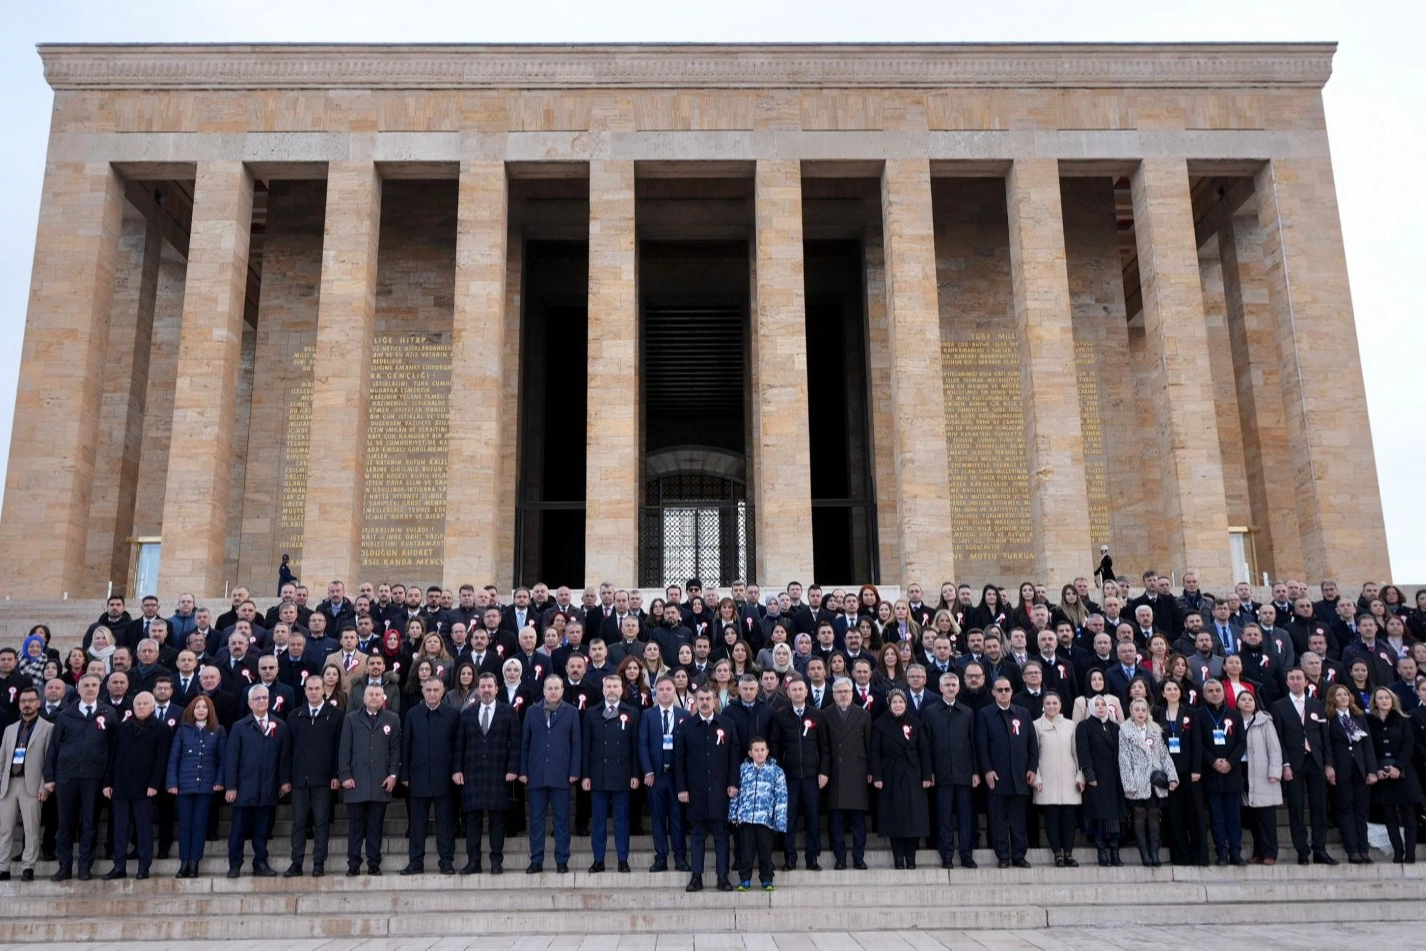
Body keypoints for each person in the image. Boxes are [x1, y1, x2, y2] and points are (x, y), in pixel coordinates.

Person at [44, 673, 117, 881]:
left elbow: (113, 751)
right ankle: (64, 867)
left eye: (94, 685)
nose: (90, 688)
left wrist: (108, 780)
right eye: (86, 685)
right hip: (66, 778)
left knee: (89, 825)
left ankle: (85, 866)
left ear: (100, 687)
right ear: (78, 688)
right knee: (65, 825)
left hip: (93, 779)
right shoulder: (66, 715)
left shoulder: (109, 713)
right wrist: (49, 776)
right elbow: (53, 749)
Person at [675, 685, 740, 892]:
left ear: (715, 701)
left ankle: (723, 877)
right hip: (696, 790)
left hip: (721, 789)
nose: (704, 702)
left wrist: (733, 783)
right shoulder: (686, 726)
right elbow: (679, 760)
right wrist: (682, 788)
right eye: (700, 699)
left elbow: (734, 756)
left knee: (721, 834)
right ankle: (696, 877)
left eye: (708, 699)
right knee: (697, 834)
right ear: (695, 701)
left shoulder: (727, 724)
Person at [223, 684, 292, 878]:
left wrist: (283, 781)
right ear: (249, 703)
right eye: (257, 699)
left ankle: (260, 862)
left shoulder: (280, 726)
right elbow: (231, 758)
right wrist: (231, 786)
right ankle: (235, 864)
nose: (261, 701)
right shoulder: (239, 727)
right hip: (244, 789)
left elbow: (284, 757)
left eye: (264, 698)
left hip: (268, 788)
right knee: (238, 831)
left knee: (262, 830)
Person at [454, 673, 520, 875]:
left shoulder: (508, 712)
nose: (486, 690)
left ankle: (496, 861)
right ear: (478, 689)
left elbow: (516, 744)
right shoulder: (467, 714)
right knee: (472, 821)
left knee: (497, 820)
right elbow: (459, 745)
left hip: (498, 773)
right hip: (473, 773)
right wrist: (457, 769)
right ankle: (473, 861)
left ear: (496, 689)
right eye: (482, 687)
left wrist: (513, 769)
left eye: (489, 686)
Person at [102, 691, 171, 880]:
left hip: (145, 787)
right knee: (120, 828)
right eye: (138, 704)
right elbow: (112, 757)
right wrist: (108, 782)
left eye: (144, 704)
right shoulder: (122, 728)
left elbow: (161, 759)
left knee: (143, 829)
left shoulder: (162, 728)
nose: (140, 707)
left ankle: (143, 867)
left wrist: (154, 784)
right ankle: (119, 866)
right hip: (121, 785)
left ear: (152, 706)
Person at [1271, 666, 1334, 865]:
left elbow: (1325, 737)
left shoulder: (1317, 705)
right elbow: (1278, 738)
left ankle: (1320, 849)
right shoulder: (1279, 706)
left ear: (1307, 682)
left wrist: (1328, 763)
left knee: (1319, 807)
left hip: (1315, 761)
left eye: (1299, 678)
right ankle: (1302, 851)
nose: (1296, 681)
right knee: (1296, 808)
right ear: (1287, 682)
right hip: (1294, 762)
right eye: (1292, 678)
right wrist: (1285, 764)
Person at [519, 674, 581, 874]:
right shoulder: (531, 711)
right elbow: (525, 743)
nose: (553, 691)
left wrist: (574, 771)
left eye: (557, 688)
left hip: (561, 775)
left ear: (562, 690)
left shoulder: (571, 712)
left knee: (562, 820)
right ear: (544, 690)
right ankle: (536, 859)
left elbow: (576, 744)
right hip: (537, 774)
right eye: (549, 688)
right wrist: (523, 770)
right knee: (536, 820)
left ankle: (562, 860)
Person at [339, 683, 402, 876]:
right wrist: (345, 775)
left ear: (383, 698)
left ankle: (374, 863)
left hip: (380, 782)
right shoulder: (350, 719)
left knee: (376, 825)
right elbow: (344, 749)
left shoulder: (392, 719)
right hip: (356, 781)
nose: (374, 697)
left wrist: (393, 775)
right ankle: (354, 863)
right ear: (363, 698)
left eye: (377, 694)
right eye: (370, 694)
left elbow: (395, 750)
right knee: (356, 825)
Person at [581, 673, 641, 873]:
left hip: (622, 775)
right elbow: (586, 746)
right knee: (598, 820)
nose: (612, 690)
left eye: (616, 686)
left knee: (622, 820)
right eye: (609, 687)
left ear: (621, 689)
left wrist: (635, 774)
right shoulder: (591, 713)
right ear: (603, 689)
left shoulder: (631, 712)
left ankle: (622, 859)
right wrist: (586, 775)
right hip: (598, 775)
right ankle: (599, 860)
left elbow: (635, 746)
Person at [400, 677, 460, 875]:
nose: (432, 694)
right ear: (423, 692)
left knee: (446, 823)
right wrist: (405, 775)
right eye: (428, 690)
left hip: (445, 778)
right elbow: (406, 746)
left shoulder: (453, 715)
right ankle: (415, 862)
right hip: (418, 777)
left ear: (443, 692)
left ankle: (446, 861)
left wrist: (456, 771)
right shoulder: (412, 715)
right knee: (417, 824)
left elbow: (458, 746)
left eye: (436, 690)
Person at [976, 676, 1038, 868]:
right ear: (993, 692)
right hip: (997, 776)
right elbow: (982, 746)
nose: (1004, 693)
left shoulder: (1023, 713)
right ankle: (1003, 855)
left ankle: (1019, 855)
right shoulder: (985, 714)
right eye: (999, 690)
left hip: (1020, 775)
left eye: (1007, 689)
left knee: (1019, 819)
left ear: (1012, 691)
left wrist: (1032, 768)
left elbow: (1032, 744)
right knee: (998, 819)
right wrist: (987, 770)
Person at [285, 676, 343, 877]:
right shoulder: (294, 716)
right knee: (299, 823)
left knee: (321, 822)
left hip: (324, 779)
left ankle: (319, 863)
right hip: (300, 779)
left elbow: (339, 748)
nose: (314, 692)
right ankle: (296, 863)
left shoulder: (336, 715)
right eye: (310, 688)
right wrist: (286, 779)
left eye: (317, 688)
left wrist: (337, 774)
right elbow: (287, 751)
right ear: (305, 691)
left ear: (323, 691)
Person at [769, 675, 828, 871]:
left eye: (801, 689)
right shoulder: (781, 716)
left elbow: (824, 746)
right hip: (789, 777)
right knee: (789, 818)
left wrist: (824, 771)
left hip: (812, 776)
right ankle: (790, 858)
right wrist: (779, 772)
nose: (797, 692)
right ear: (788, 692)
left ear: (806, 691)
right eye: (793, 690)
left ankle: (812, 858)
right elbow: (775, 745)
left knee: (812, 818)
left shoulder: (817, 715)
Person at [923, 670, 980, 868]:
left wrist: (975, 771)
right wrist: (928, 771)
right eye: (946, 685)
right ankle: (946, 855)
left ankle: (966, 854)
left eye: (953, 685)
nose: (950, 688)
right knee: (944, 816)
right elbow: (927, 744)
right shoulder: (930, 712)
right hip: (941, 774)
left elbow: (972, 743)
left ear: (958, 688)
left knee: (965, 817)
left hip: (964, 772)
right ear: (940, 688)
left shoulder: (967, 712)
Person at [869, 689, 931, 868]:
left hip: (913, 774)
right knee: (894, 817)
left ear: (906, 704)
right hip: (890, 775)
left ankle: (911, 857)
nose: (898, 705)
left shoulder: (915, 723)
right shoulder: (880, 724)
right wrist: (877, 776)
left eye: (901, 702)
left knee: (913, 816)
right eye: (894, 702)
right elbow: (875, 752)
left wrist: (927, 775)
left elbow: (924, 750)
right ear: (889, 705)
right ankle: (898, 858)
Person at [166, 695, 226, 878]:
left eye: (204, 707)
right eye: (197, 707)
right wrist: (172, 782)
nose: (201, 710)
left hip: (206, 786)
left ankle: (194, 863)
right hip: (184, 786)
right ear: (192, 710)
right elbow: (174, 758)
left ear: (210, 710)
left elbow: (222, 759)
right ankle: (183, 863)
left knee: (199, 824)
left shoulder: (218, 730)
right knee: (185, 825)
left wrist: (219, 780)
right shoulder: (183, 730)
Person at [639, 674, 691, 873]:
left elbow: (688, 748)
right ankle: (660, 857)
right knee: (658, 818)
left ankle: (680, 857)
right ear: (656, 692)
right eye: (661, 689)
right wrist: (648, 770)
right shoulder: (648, 715)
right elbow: (642, 744)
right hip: (656, 776)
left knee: (678, 818)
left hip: (677, 778)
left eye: (669, 689)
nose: (665, 692)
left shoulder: (684, 715)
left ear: (674, 691)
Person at [0, 686, 52, 881]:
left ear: (38, 703)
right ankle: (3, 867)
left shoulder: (48, 728)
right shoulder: (10, 729)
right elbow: (2, 760)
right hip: (8, 785)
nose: (27, 704)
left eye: (31, 700)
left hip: (31, 785)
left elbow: (49, 760)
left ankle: (28, 867)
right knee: (5, 829)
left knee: (31, 829)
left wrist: (44, 786)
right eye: (23, 701)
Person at [1194, 679, 1246, 866]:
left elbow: (1241, 743)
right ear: (1204, 694)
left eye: (1218, 690)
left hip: (1232, 772)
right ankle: (1221, 852)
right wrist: (1214, 761)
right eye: (1210, 691)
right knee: (1216, 816)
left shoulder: (1234, 714)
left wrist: (1230, 762)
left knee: (1233, 816)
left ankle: (1235, 851)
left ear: (1223, 693)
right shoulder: (1198, 715)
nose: (1215, 693)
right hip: (1211, 772)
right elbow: (1198, 744)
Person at [1324, 683, 1378, 863]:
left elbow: (1367, 745)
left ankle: (1364, 849)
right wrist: (1329, 765)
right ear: (1333, 698)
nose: (1343, 698)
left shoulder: (1359, 716)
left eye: (1345, 695)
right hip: (1341, 769)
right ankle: (1352, 850)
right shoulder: (1329, 718)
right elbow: (1327, 745)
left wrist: (1371, 770)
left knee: (1361, 811)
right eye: (1339, 695)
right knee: (1345, 810)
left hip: (1360, 769)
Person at [1366, 686, 1420, 863]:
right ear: (1375, 701)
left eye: (1387, 698)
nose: (1384, 701)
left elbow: (1408, 745)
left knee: (1408, 813)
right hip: (1382, 774)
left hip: (1403, 772)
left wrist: (1398, 767)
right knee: (1389, 814)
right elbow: (1370, 748)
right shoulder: (1369, 721)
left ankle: (1410, 852)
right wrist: (1376, 769)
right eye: (1380, 698)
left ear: (1392, 700)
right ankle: (1398, 851)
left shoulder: (1403, 720)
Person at [728, 736, 788, 891]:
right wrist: (733, 814)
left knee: (765, 851)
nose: (760, 753)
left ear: (767, 751)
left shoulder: (776, 771)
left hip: (765, 819)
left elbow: (781, 797)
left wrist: (780, 820)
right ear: (750, 753)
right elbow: (736, 793)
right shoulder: (743, 769)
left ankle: (767, 879)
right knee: (746, 852)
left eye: (762, 750)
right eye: (756, 750)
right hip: (747, 818)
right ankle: (745, 879)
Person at [824, 678, 872, 870]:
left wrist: (871, 771)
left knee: (858, 821)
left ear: (852, 693)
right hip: (835, 772)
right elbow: (824, 745)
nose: (843, 695)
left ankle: (859, 857)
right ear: (833, 694)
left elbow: (869, 745)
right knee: (836, 821)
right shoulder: (825, 714)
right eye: (839, 692)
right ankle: (840, 858)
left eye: (846, 691)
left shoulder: (864, 715)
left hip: (857, 773)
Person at [1032, 691, 1081, 868]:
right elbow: (1033, 754)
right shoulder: (1036, 725)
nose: (1051, 707)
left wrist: (1080, 774)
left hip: (1069, 778)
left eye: (1055, 703)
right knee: (1051, 818)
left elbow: (1076, 752)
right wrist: (1036, 776)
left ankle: (1068, 853)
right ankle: (1057, 854)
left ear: (1060, 705)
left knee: (1069, 818)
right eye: (1048, 703)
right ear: (1043, 706)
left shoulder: (1070, 725)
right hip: (1047, 779)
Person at [1075, 694, 1123, 866]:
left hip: (1114, 777)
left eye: (1104, 704)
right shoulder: (1084, 726)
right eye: (1098, 704)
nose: (1101, 707)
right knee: (1099, 814)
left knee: (1114, 815)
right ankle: (1101, 851)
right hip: (1097, 777)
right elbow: (1083, 751)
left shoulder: (1115, 727)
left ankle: (1115, 851)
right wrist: (1089, 774)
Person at [1237, 690, 1282, 864]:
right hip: (1242, 770)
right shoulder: (1233, 721)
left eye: (1250, 699)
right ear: (1237, 703)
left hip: (1262, 772)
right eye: (1243, 699)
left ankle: (1270, 852)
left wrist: (1275, 771)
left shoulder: (1264, 721)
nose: (1247, 702)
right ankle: (1258, 851)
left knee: (1266, 816)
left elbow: (1274, 748)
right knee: (1252, 816)